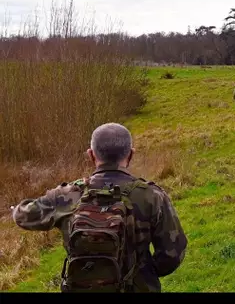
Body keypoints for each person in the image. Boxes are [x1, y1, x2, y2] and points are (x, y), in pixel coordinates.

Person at [11, 123, 188, 292]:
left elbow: (22, 216)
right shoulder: (152, 196)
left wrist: (16, 207)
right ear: (131, 155)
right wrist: (145, 273)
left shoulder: (67, 196)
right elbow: (172, 253)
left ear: (91, 155)